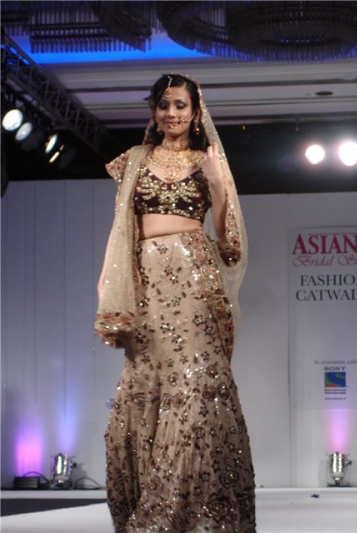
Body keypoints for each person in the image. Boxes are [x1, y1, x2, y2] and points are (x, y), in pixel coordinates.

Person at [95, 73, 256, 533]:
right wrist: (108, 286)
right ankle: (149, 508)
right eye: (164, 105)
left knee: (193, 388)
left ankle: (198, 511)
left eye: (180, 105)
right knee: (148, 385)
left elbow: (230, 245)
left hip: (195, 281)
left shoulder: (209, 161)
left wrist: (217, 185)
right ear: (154, 110)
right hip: (146, 284)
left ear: (195, 110)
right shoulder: (133, 161)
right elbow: (121, 230)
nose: (172, 114)